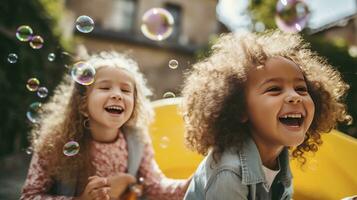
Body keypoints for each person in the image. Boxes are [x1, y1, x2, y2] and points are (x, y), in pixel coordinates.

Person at [181, 30, 352, 200]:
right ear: (240, 109)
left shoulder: (278, 160)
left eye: (301, 89)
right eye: (274, 89)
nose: (295, 96)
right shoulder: (228, 173)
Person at [21, 51, 190, 200]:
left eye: (125, 90)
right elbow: (29, 196)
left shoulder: (137, 141)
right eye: (105, 87)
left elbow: (155, 187)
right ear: (82, 103)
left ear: (135, 105)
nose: (117, 95)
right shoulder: (55, 143)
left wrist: (193, 183)